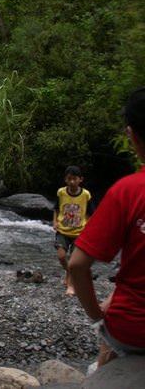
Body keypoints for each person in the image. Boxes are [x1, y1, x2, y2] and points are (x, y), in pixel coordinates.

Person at [69, 87, 145, 367]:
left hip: (134, 330)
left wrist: (97, 315)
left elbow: (77, 265)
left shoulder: (128, 191)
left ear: (132, 135)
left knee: (109, 337)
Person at [53, 165, 93, 295]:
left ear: (80, 179)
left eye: (74, 179)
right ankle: (69, 272)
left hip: (79, 232)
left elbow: (89, 213)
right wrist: (54, 221)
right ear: (65, 179)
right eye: (69, 179)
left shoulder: (86, 195)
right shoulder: (61, 192)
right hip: (63, 231)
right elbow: (56, 208)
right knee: (61, 256)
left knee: (74, 262)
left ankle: (71, 286)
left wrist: (90, 228)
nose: (72, 182)